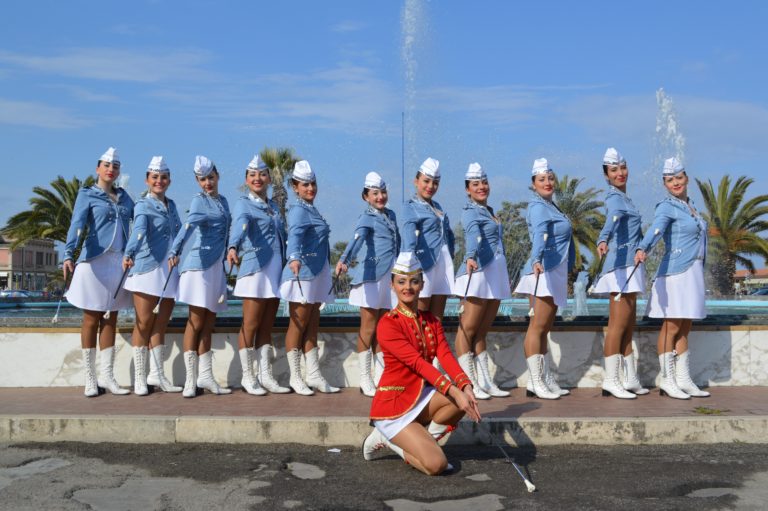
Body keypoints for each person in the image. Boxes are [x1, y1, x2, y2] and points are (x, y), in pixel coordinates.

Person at [362, 252, 481, 476]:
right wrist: (453, 390)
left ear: (422, 285)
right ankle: (388, 438)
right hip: (394, 407)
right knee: (436, 466)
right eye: (401, 282)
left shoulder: (431, 321)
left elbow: (445, 355)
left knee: (461, 401)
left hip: (421, 397)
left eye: (414, 281)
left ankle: (427, 441)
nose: (408, 287)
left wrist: (466, 386)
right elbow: (417, 363)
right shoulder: (388, 325)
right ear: (392, 285)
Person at [635, 157, 710, 400]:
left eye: (679, 178)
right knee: (672, 325)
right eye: (670, 180)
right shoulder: (667, 207)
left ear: (686, 178)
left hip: (693, 271)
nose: (676, 183)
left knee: (685, 326)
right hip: (675, 272)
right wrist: (643, 248)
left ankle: (683, 379)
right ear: (665, 184)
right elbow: (655, 229)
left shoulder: (691, 207)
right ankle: (667, 380)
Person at [63, 147, 135, 397]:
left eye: (115, 166)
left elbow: (139, 224)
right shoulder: (87, 194)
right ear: (98, 168)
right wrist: (68, 254)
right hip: (94, 261)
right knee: (92, 319)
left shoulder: (125, 198)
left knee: (110, 319)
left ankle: (108, 377)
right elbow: (77, 225)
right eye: (106, 165)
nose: (110, 169)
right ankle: (90, 378)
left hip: (118, 263)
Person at [169, 155, 232, 398]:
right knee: (195, 322)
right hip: (199, 266)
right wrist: (175, 250)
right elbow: (187, 229)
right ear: (198, 181)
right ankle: (190, 380)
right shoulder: (199, 202)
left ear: (218, 176)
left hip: (216, 267)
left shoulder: (224, 202)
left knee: (208, 323)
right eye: (203, 179)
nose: (208, 183)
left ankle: (206, 376)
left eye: (211, 178)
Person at [227, 155, 290, 395]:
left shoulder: (274, 206)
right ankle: (248, 376)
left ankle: (266, 375)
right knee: (250, 324)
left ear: (268, 179)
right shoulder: (244, 204)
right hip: (255, 269)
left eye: (262, 175)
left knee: (266, 325)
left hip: (275, 269)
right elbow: (240, 227)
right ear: (246, 179)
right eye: (252, 175)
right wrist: (233, 247)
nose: (257, 179)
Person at [514, 158, 574, 400]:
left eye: (550, 178)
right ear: (533, 183)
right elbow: (540, 234)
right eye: (542, 179)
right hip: (543, 270)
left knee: (544, 328)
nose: (547, 182)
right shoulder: (539, 207)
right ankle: (535, 381)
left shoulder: (551, 206)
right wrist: (537, 259)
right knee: (537, 327)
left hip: (553, 269)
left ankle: (544, 378)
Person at [336, 172, 400, 397]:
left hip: (389, 277)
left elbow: (397, 244)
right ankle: (365, 377)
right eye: (375, 193)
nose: (381, 197)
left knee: (385, 329)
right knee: (369, 327)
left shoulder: (390, 215)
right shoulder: (366, 217)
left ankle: (382, 375)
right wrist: (344, 260)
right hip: (371, 276)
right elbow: (357, 240)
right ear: (366, 196)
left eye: (383, 192)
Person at [122, 156, 183, 395]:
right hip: (147, 269)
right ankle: (140, 377)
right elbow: (138, 231)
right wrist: (129, 253)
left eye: (163, 177)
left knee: (161, 325)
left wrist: (178, 252)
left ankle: (157, 375)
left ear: (169, 180)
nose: (159, 181)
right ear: (147, 180)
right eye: (155, 177)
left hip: (168, 270)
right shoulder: (143, 205)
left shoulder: (173, 205)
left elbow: (179, 233)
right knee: (144, 322)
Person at [592, 148, 648, 399]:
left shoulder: (626, 198)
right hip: (620, 267)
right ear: (606, 175)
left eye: (622, 168)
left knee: (627, 325)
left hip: (629, 265)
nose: (620, 173)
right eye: (614, 170)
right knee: (617, 325)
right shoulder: (614, 199)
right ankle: (611, 380)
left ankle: (629, 377)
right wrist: (603, 239)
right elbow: (611, 220)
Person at [279, 160, 338, 395]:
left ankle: (313, 374)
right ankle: (295, 376)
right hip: (302, 272)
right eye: (305, 185)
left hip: (317, 271)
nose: (310, 188)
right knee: (298, 324)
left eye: (312, 183)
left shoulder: (311, 209)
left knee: (312, 324)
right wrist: (293, 257)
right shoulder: (298, 210)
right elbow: (294, 236)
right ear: (295, 187)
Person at [453, 163, 511, 400]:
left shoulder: (489, 210)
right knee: (467, 329)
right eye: (475, 184)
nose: (482, 188)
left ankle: (485, 381)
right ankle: (468, 383)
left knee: (481, 331)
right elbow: (471, 235)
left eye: (484, 183)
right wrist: (469, 257)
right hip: (476, 272)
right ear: (467, 189)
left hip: (494, 273)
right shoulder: (470, 212)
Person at [401, 157, 455, 320]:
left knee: (436, 321)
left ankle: (433, 347)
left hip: (442, 266)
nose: (431, 186)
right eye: (426, 181)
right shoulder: (410, 206)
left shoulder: (437, 206)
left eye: (435, 183)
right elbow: (408, 237)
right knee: (419, 318)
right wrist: (410, 267)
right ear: (416, 181)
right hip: (423, 266)